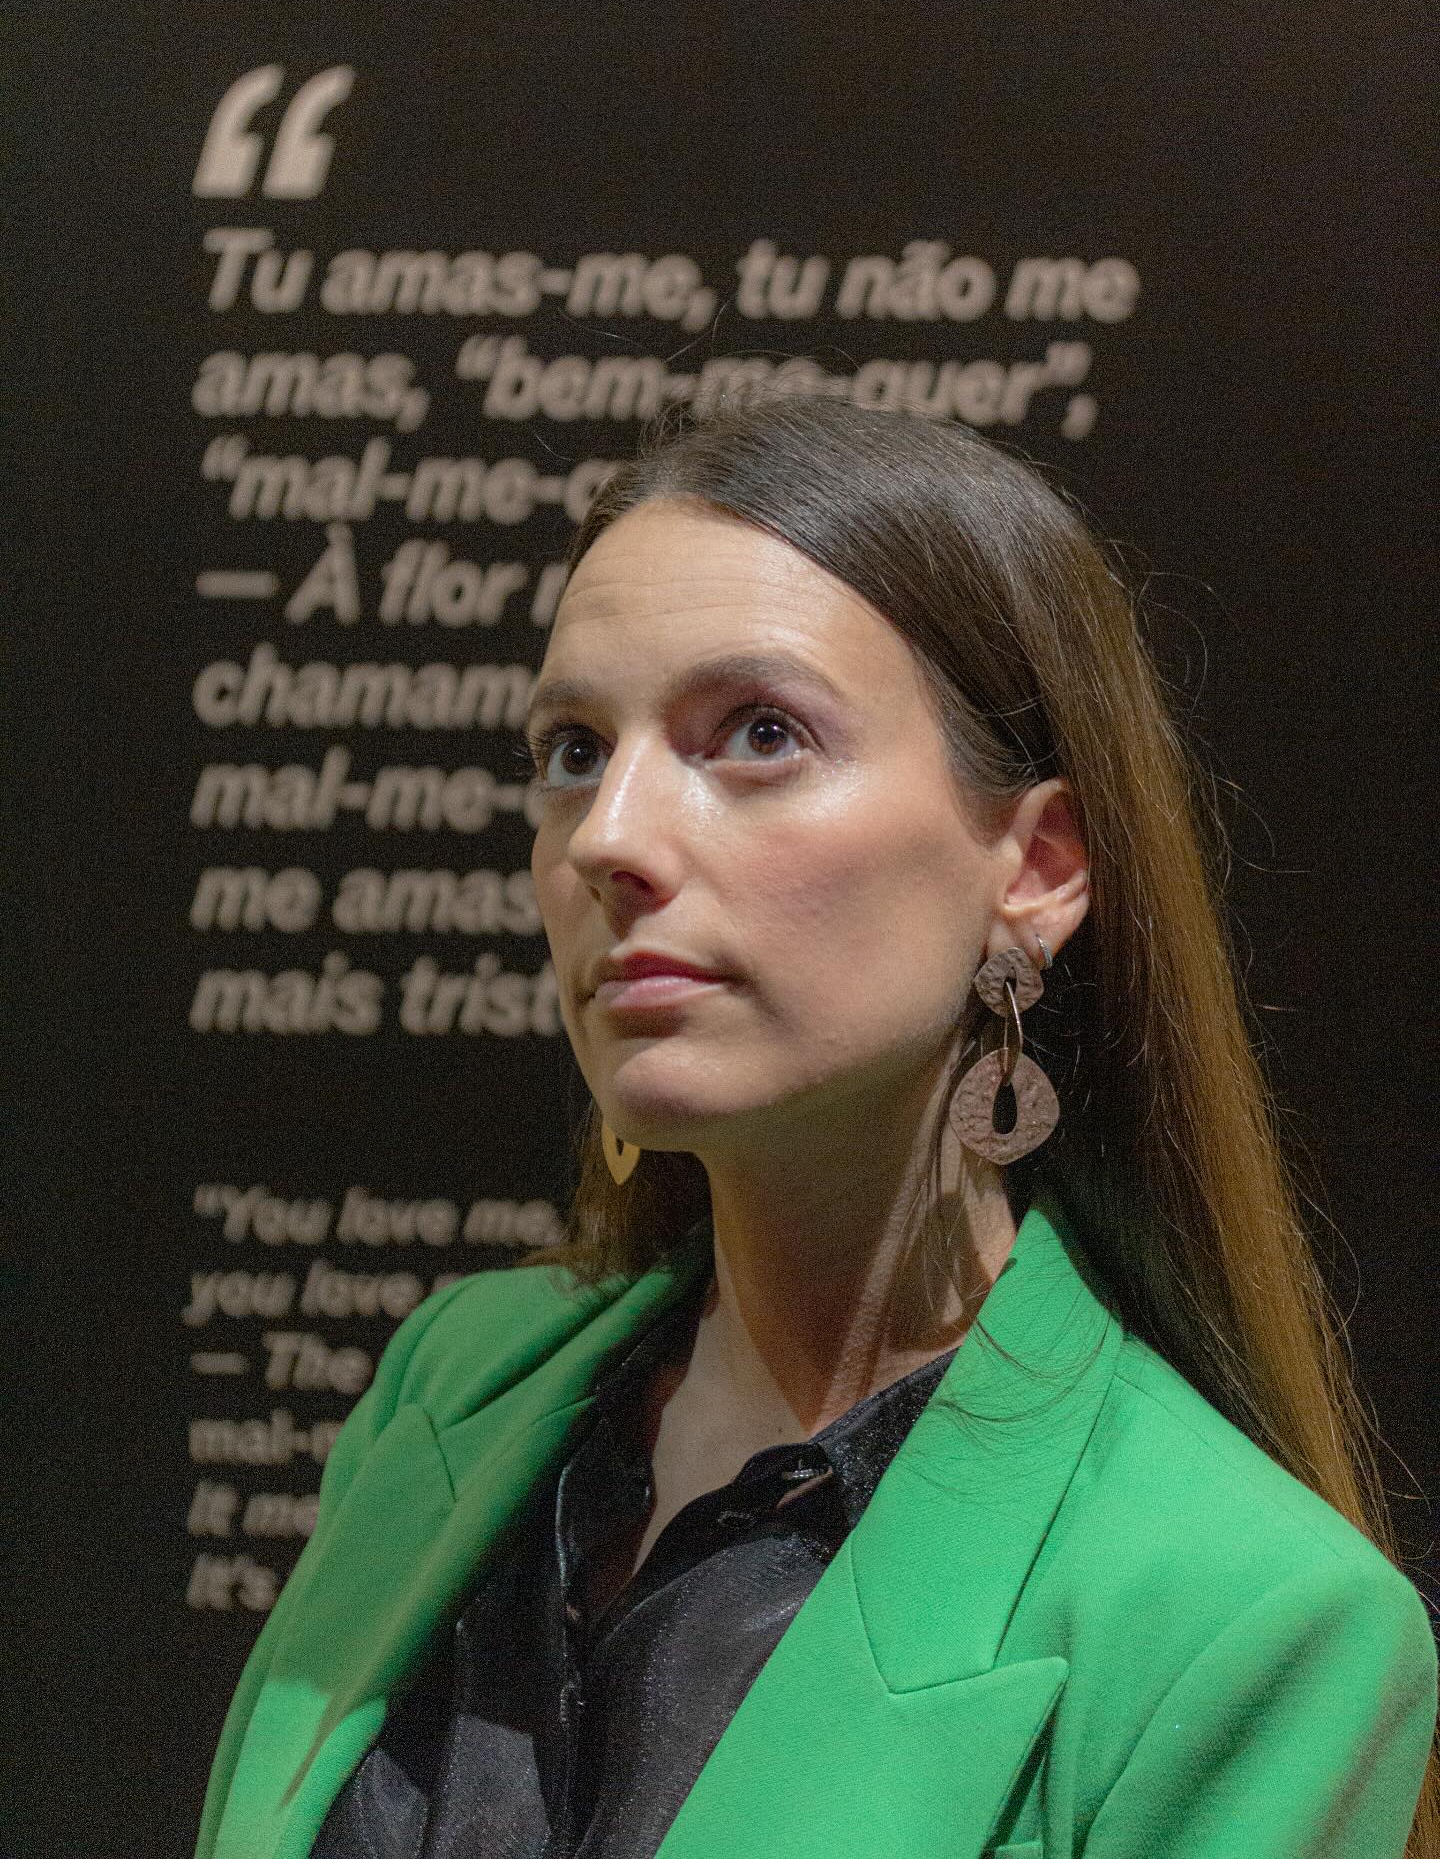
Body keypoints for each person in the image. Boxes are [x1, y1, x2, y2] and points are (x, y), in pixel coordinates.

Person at [195, 393, 1438, 1859]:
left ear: (1034, 866)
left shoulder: (1249, 1624)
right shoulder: (452, 1386)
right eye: (574, 750)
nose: (609, 837)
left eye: (760, 734)